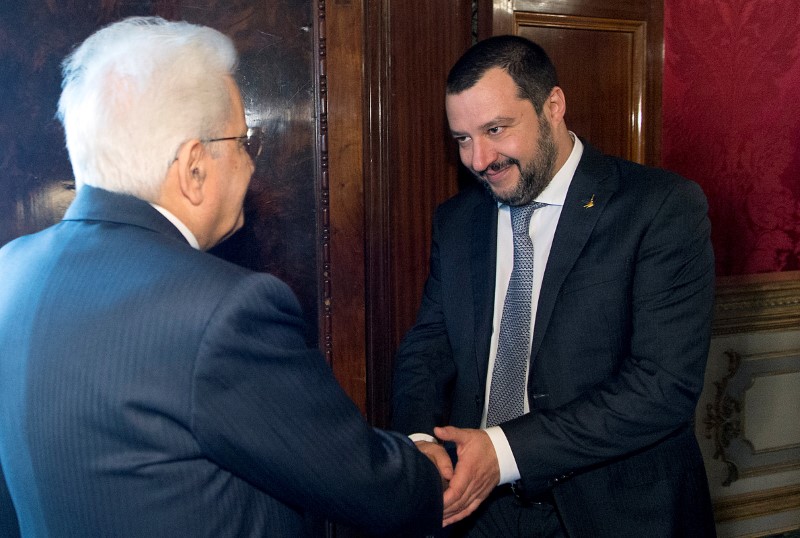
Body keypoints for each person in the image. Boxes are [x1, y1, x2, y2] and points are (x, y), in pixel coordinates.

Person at [0, 16, 442, 537]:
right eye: (241, 141)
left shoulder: (11, 267)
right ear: (193, 167)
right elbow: (367, 485)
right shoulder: (223, 309)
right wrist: (426, 466)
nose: (251, 164)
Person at [391, 35, 716, 537]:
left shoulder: (659, 207)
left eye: (496, 129)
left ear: (553, 106)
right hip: (477, 510)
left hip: (611, 508)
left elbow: (661, 385)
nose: (479, 160)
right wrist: (419, 441)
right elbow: (428, 345)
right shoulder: (457, 220)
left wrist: (504, 451)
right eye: (462, 139)